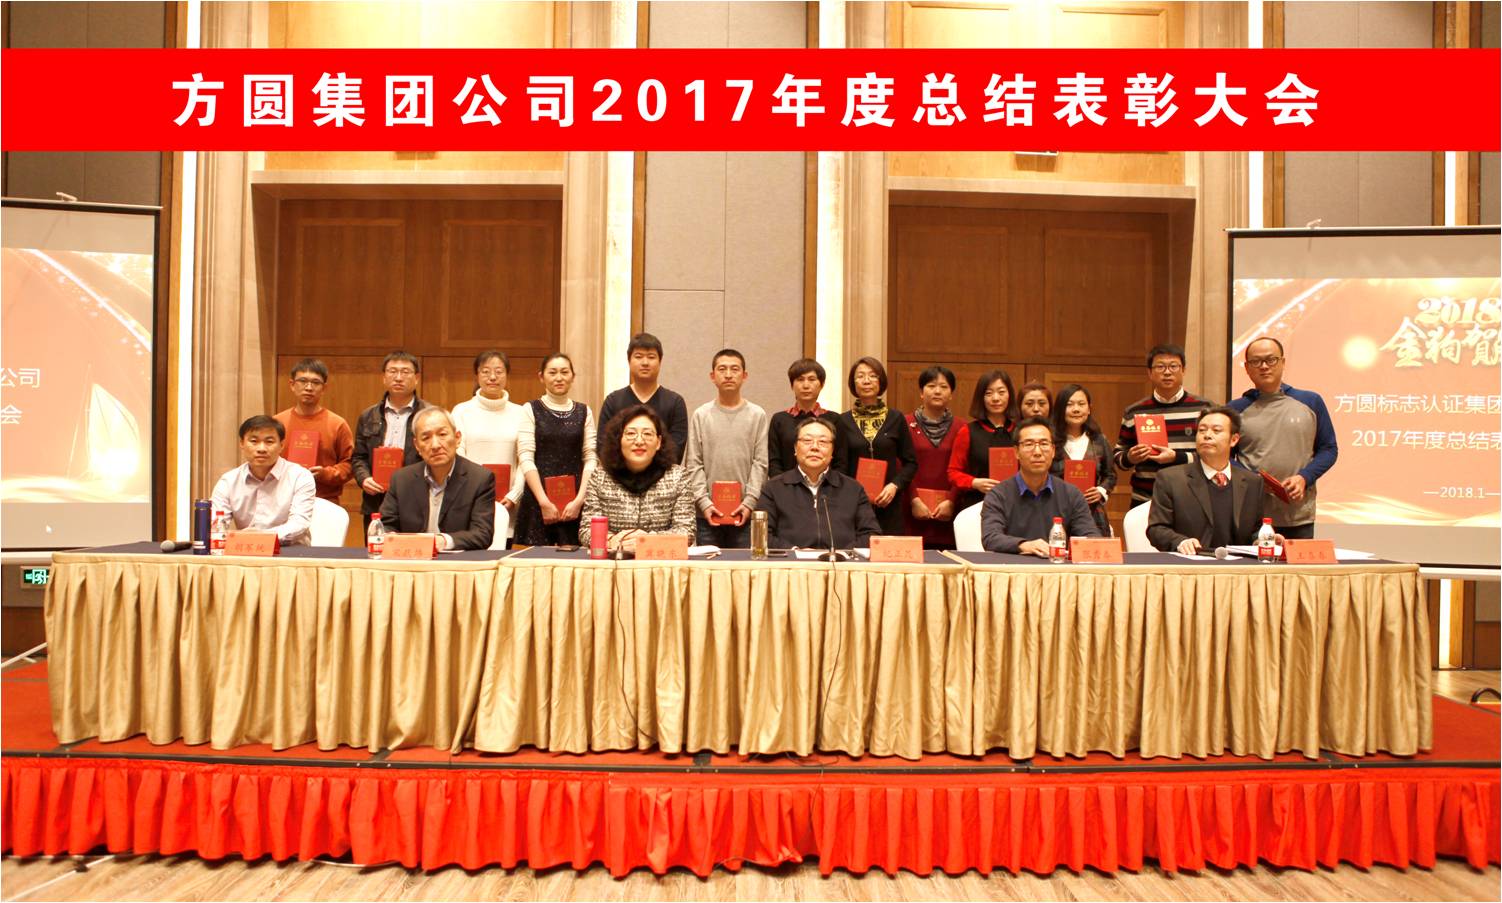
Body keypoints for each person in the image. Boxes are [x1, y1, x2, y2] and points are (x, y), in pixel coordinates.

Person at [1227, 337, 1338, 539]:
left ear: (1283, 362)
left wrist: (1304, 477)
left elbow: (1328, 449)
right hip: (1249, 515)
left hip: (1298, 514)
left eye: (1271, 360)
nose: (1264, 366)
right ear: (1247, 368)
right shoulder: (1234, 409)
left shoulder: (1311, 401)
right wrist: (1253, 480)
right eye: (1256, 361)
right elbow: (1224, 457)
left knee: (1296, 561)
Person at [1147, 407, 1266, 555]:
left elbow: (1255, 529)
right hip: (1191, 563)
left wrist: (1263, 539)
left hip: (1237, 565)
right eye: (1202, 430)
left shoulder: (1253, 482)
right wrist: (1180, 542)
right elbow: (1156, 529)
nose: (1207, 435)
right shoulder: (1170, 479)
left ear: (1234, 440)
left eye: (1216, 431)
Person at [578, 405, 696, 554]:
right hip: (615, 561)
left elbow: (687, 532)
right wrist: (613, 540)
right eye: (631, 433)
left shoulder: (678, 477)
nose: (639, 441)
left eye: (647, 434)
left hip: (660, 561)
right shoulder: (600, 477)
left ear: (658, 442)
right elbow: (586, 530)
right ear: (619, 440)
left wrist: (646, 541)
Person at [683, 349, 769, 547]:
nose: (728, 374)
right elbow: (693, 464)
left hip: (745, 514)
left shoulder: (757, 415)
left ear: (744, 375)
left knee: (744, 566)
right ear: (712, 376)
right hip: (706, 515)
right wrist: (704, 503)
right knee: (707, 565)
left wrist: (749, 502)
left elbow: (761, 463)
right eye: (722, 369)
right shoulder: (701, 415)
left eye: (734, 369)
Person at [379, 407, 495, 551]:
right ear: (417, 446)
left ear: (457, 438)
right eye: (426, 438)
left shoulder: (480, 479)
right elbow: (385, 525)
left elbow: (482, 534)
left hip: (456, 561)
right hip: (411, 559)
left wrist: (442, 541)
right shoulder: (401, 479)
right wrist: (390, 536)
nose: (435, 445)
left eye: (442, 434)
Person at [1112, 343, 1213, 508]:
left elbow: (1215, 454)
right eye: (1160, 367)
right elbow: (1118, 457)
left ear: (1183, 370)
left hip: (1193, 498)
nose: (1167, 372)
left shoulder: (1204, 408)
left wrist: (1177, 457)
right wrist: (1130, 457)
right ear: (1149, 373)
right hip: (1145, 500)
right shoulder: (1134, 411)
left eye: (1173, 366)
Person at [980, 418, 1100, 556]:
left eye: (1044, 444)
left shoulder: (1071, 493)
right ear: (1016, 452)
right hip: (1013, 567)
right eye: (1029, 444)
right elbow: (990, 538)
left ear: (1053, 451)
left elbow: (1091, 537)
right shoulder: (998, 494)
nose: (1037, 452)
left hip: (1056, 567)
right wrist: (1024, 545)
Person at [513, 353, 597, 547]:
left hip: (575, 502)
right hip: (537, 500)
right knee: (532, 560)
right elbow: (525, 456)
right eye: (552, 373)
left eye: (564, 372)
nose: (559, 378)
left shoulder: (584, 411)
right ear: (541, 377)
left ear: (573, 376)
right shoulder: (530, 409)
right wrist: (543, 502)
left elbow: (591, 457)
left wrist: (580, 500)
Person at [757, 418, 879, 550]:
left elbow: (871, 534)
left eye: (823, 442)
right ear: (795, 448)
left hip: (841, 561)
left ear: (832, 451)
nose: (814, 447)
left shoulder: (853, 489)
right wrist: (795, 552)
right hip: (792, 561)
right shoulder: (774, 488)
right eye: (807, 441)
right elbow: (760, 534)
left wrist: (842, 554)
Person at [833, 357, 917, 535]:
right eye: (860, 376)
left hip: (889, 502)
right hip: (853, 503)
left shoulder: (896, 418)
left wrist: (894, 486)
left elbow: (911, 463)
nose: (866, 381)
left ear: (881, 381)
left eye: (872, 375)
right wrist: (849, 492)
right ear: (853, 383)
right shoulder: (842, 421)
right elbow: (839, 466)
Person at [452, 350, 526, 538]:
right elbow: (458, 453)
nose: (492, 377)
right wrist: (472, 491)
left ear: (507, 375)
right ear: (477, 375)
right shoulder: (461, 411)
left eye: (499, 371)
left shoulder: (521, 413)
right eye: (485, 371)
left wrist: (515, 495)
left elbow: (525, 459)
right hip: (469, 498)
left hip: (507, 503)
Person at [211, 415, 317, 546]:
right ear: (242, 444)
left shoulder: (300, 476)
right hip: (245, 551)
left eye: (269, 442)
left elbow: (299, 523)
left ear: (281, 445)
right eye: (254, 441)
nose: (261, 449)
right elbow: (216, 525)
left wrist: (260, 537)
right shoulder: (228, 481)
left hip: (291, 551)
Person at [351, 351, 428, 528]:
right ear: (384, 377)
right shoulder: (368, 416)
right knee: (376, 544)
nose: (398, 377)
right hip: (376, 502)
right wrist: (364, 479)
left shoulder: (428, 415)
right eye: (393, 371)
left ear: (416, 378)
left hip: (416, 499)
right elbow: (358, 457)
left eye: (405, 372)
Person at [596, 333, 689, 464]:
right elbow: (603, 446)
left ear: (660, 362)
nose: (645, 363)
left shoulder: (675, 402)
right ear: (629, 361)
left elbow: (676, 451)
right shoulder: (613, 401)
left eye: (651, 357)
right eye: (638, 357)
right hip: (619, 475)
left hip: (663, 476)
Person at [272, 358, 354, 506]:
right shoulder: (277, 422)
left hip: (324, 502)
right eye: (303, 381)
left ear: (324, 388)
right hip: (282, 501)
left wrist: (325, 474)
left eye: (316, 382)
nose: (309, 387)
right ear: (292, 384)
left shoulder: (337, 424)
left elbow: (349, 464)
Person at [947, 369, 1019, 511]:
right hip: (977, 503)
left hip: (1016, 503)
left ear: (1009, 395)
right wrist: (974, 482)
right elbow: (953, 472)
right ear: (981, 398)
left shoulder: (1020, 431)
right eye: (988, 393)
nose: (995, 398)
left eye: (1001, 392)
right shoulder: (968, 431)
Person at [1049, 383, 1116, 536]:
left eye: (1081, 404)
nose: (1076, 409)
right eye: (1069, 404)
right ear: (1060, 409)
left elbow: (1110, 475)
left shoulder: (1099, 440)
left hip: (1092, 513)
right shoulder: (1050, 440)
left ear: (1089, 409)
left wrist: (1101, 491)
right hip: (1057, 511)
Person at [904, 365, 959, 549]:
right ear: (921, 392)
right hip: (910, 510)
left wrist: (951, 501)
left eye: (944, 387)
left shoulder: (962, 428)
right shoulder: (904, 424)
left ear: (951, 394)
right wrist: (914, 499)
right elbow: (900, 465)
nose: (937, 391)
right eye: (931, 386)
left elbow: (964, 468)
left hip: (949, 513)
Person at [767, 358, 846, 478]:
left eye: (812, 379)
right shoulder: (779, 419)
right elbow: (774, 462)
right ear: (792, 385)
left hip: (827, 486)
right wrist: (782, 486)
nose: (806, 385)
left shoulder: (835, 419)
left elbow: (841, 462)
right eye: (800, 379)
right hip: (786, 486)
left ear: (822, 384)